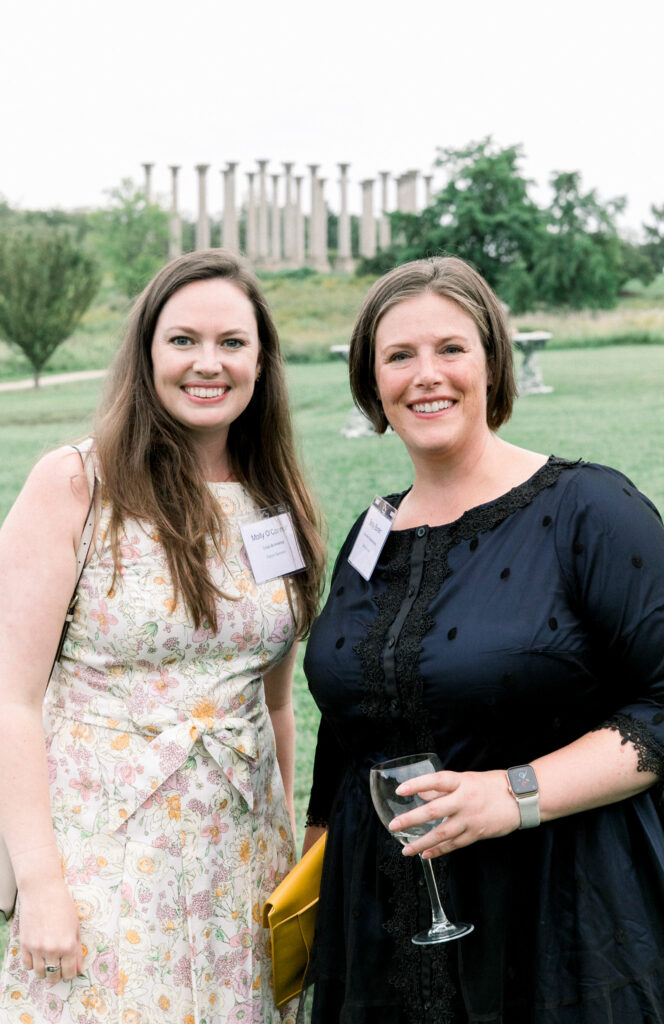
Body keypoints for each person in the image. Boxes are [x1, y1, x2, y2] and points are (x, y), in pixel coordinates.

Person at [300, 256, 664, 1023]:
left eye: (450, 349)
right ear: (370, 381)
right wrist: (306, 881)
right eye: (398, 355)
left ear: (492, 363)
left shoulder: (587, 508)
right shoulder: (370, 531)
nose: (425, 376)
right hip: (383, 923)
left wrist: (513, 796)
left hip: (565, 916)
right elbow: (346, 730)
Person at [0, 249, 325, 1023]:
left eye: (231, 343)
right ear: (146, 353)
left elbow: (273, 703)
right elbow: (11, 699)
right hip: (102, 860)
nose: (207, 363)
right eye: (182, 340)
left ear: (261, 359)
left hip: (239, 864)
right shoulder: (77, 482)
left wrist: (283, 861)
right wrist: (40, 885)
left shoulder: (275, 501)